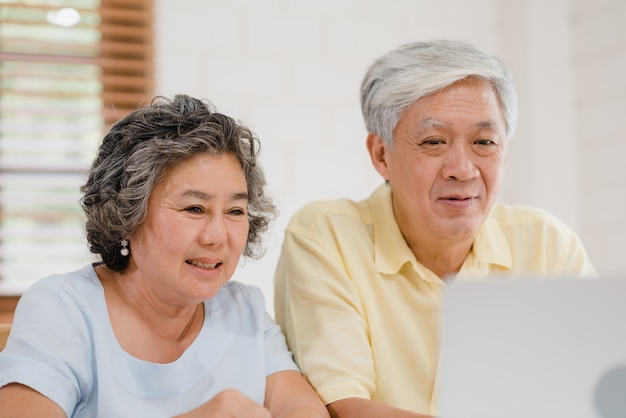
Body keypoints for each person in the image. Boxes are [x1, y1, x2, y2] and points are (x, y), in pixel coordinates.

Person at [273, 39, 597, 418]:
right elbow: (342, 407)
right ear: (381, 155)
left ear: (505, 149)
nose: (462, 168)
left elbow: (592, 392)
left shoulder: (548, 245)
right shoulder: (325, 239)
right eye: (433, 141)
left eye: (484, 142)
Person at [0, 94, 330, 418]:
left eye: (234, 210)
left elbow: (299, 405)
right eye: (194, 208)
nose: (216, 236)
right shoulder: (64, 308)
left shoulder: (245, 311)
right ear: (127, 214)